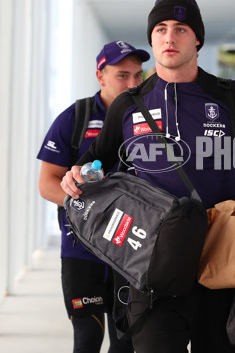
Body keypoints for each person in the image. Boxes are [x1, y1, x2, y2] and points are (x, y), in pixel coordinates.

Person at [60, 0, 235, 353]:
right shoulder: (128, 104)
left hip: (222, 259)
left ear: (197, 40)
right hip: (151, 263)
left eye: (181, 29)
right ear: (151, 38)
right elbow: (94, 159)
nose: (170, 37)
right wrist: (76, 173)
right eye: (161, 29)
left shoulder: (231, 98)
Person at [37, 40, 150, 352]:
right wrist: (89, 209)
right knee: (86, 339)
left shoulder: (148, 119)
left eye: (138, 76)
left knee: (124, 344)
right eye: (122, 75)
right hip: (81, 250)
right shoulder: (76, 117)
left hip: (132, 249)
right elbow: (47, 183)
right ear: (100, 76)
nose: (132, 83)